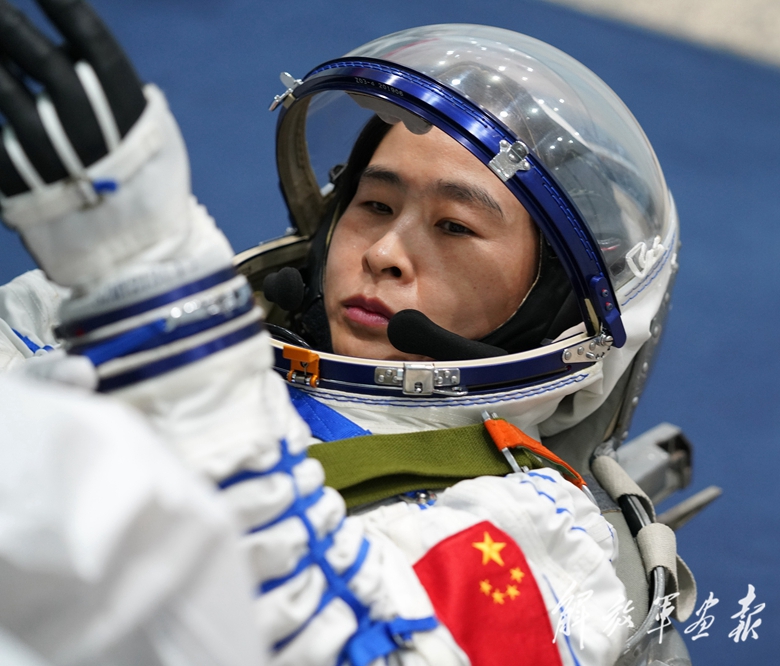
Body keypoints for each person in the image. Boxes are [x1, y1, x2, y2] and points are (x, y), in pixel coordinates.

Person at [0, 4, 693, 666]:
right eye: (376, 204)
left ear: (553, 304)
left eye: (455, 226)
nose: (385, 252)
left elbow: (328, 642)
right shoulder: (77, 321)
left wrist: (157, 304)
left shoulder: (542, 540)